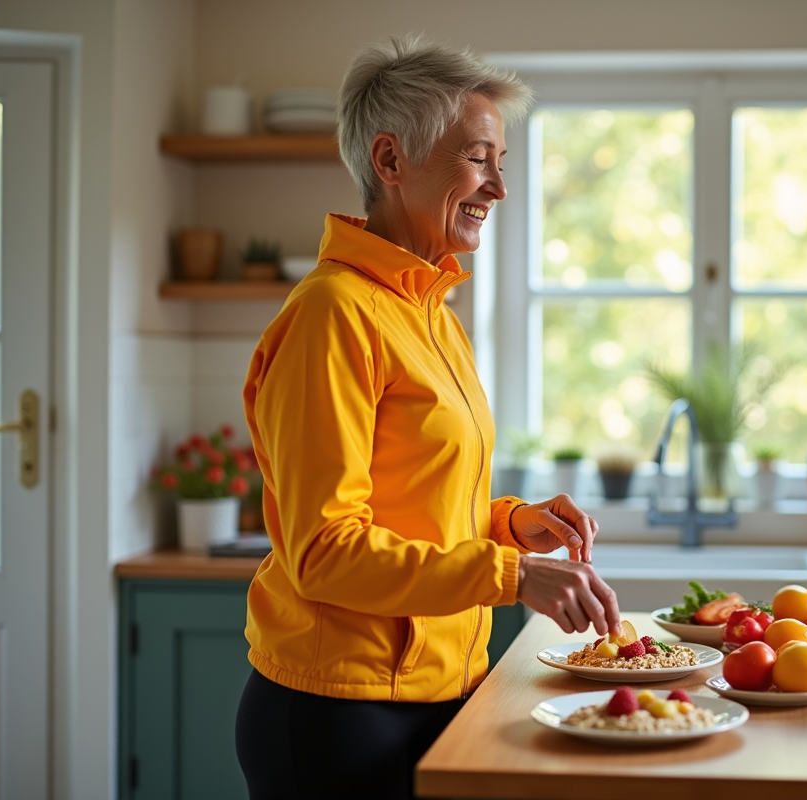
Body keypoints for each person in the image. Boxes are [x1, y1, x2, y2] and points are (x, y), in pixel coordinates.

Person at [234, 35, 621, 800]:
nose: (499, 188)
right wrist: (511, 576)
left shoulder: (430, 310)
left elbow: (415, 503)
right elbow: (325, 551)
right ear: (390, 161)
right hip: (336, 711)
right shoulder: (331, 315)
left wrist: (512, 524)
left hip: (434, 694)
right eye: (479, 158)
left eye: (500, 162)